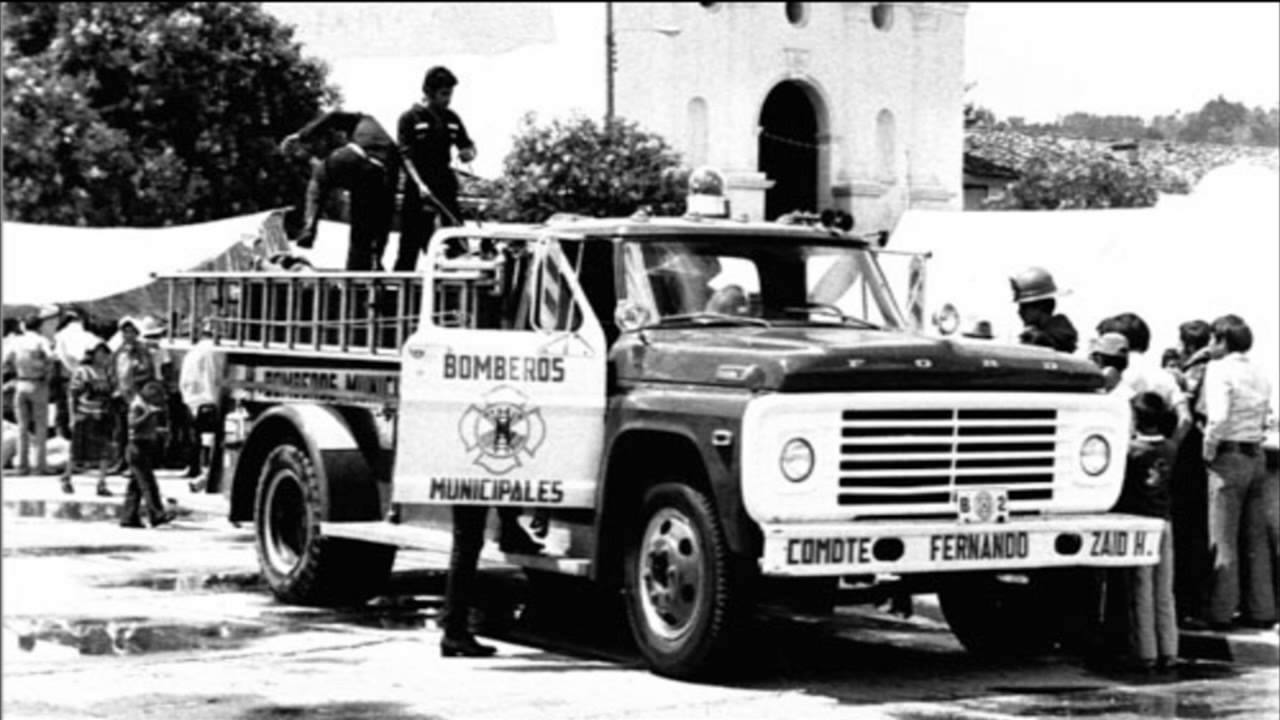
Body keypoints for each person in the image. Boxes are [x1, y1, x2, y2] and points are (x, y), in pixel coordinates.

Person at [1197, 315, 1275, 630]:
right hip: (1255, 454)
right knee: (1256, 539)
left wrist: (1208, 451)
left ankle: (1220, 610)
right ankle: (1262, 608)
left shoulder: (1219, 371)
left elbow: (1217, 417)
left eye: (1213, 340)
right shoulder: (1260, 373)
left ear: (1222, 341)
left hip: (1228, 455)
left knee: (1223, 536)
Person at [281, 109, 400, 271]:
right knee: (360, 234)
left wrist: (301, 135)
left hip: (357, 158)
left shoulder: (363, 120)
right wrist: (378, 254)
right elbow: (385, 212)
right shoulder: (390, 147)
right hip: (378, 177)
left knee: (319, 176)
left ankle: (309, 228)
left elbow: (334, 116)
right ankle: (359, 277)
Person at [1113, 392, 1179, 673]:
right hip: (1164, 521)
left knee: (1142, 588)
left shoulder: (1131, 452)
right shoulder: (1170, 448)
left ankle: (1146, 652)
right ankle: (1169, 649)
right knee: (1165, 591)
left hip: (1141, 524)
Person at [396, 66, 477, 272]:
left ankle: (454, 283)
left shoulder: (452, 118)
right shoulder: (410, 118)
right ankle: (396, 294)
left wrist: (468, 152)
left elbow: (466, 145)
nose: (448, 99)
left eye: (450, 94)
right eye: (443, 94)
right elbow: (406, 156)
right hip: (418, 186)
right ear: (429, 92)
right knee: (410, 245)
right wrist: (420, 184)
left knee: (456, 237)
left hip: (444, 183)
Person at [1172, 318, 1213, 623]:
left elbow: (1186, 413)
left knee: (1186, 533)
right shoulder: (1216, 366)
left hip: (1189, 456)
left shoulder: (1196, 370)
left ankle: (1188, 603)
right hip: (1204, 459)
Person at [2, 307, 60, 476]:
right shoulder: (41, 341)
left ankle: (22, 465)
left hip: (20, 383)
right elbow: (51, 357)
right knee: (40, 426)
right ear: (40, 325)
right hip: (38, 384)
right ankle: (40, 465)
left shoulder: (16, 341)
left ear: (24, 326)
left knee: (22, 427)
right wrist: (44, 368)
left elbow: (5, 361)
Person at [119, 380, 176, 529]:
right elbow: (132, 424)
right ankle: (157, 514)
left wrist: (158, 431)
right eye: (157, 396)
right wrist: (148, 414)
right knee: (148, 484)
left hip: (144, 446)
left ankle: (128, 517)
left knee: (136, 486)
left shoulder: (145, 406)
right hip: (137, 448)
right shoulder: (138, 406)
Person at [179, 321, 227, 493]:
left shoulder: (193, 351)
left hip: (192, 401)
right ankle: (205, 477)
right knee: (210, 440)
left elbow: (184, 379)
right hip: (209, 399)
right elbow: (214, 376)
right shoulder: (214, 350)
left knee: (198, 439)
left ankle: (200, 474)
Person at [63, 342, 115, 497]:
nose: (102, 356)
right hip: (84, 414)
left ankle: (102, 482)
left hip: (102, 414)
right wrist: (72, 416)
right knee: (77, 451)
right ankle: (67, 477)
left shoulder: (106, 372)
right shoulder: (82, 371)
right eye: (99, 353)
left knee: (104, 450)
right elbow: (72, 395)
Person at [108, 317, 157, 476]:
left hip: (136, 395)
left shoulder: (142, 351)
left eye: (130, 331)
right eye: (124, 331)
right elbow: (112, 370)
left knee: (135, 432)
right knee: (120, 430)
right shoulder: (118, 351)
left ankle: (134, 464)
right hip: (120, 394)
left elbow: (148, 371)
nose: (127, 334)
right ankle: (120, 462)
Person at [1009, 266, 1078, 353]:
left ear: (1042, 307)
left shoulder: (1060, 332)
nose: (1020, 312)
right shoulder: (1034, 333)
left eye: (1025, 307)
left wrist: (1039, 339)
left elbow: (1064, 341)